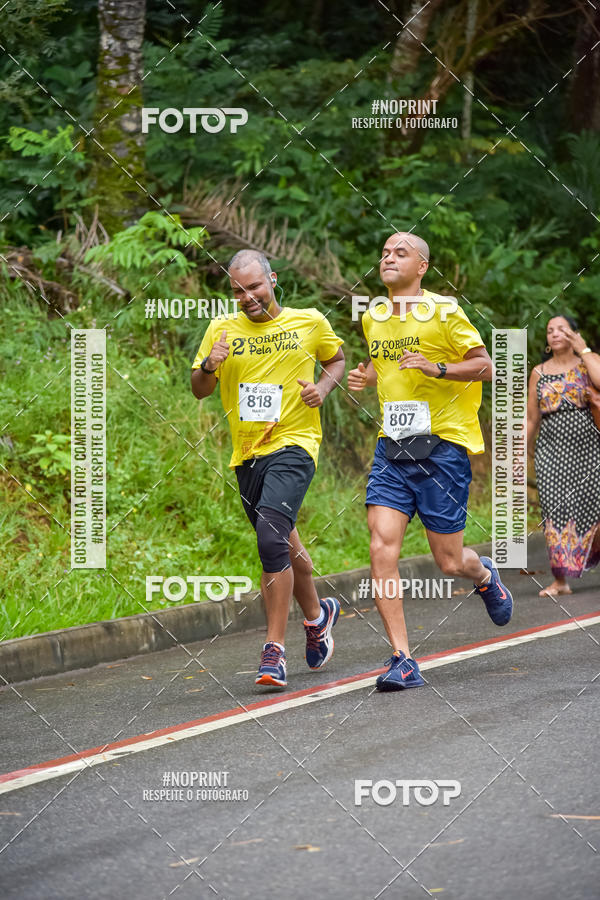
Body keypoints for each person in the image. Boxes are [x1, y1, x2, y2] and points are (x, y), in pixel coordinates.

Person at [348, 232, 513, 692]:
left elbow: (486, 366)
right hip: (393, 449)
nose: (388, 258)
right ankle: (402, 657)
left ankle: (483, 574)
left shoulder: (444, 311)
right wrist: (366, 373)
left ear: (421, 266)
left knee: (448, 561)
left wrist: (437, 368)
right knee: (381, 548)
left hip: (442, 449)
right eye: (383, 252)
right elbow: (381, 360)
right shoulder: (375, 316)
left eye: (400, 253)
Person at [191, 250, 345, 688]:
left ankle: (273, 652)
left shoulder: (309, 321)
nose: (247, 296)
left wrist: (322, 388)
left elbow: (336, 359)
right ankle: (318, 617)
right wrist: (209, 365)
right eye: (238, 290)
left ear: (272, 279)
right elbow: (200, 389)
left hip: (295, 444)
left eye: (254, 286)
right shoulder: (220, 330)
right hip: (247, 455)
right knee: (283, 541)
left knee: (270, 535)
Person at [527, 314, 600, 596]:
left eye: (562, 329)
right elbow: (531, 419)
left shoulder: (587, 363)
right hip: (551, 452)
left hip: (589, 450)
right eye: (550, 330)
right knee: (555, 513)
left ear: (574, 334)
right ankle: (560, 581)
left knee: (594, 506)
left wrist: (584, 349)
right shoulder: (539, 372)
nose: (555, 333)